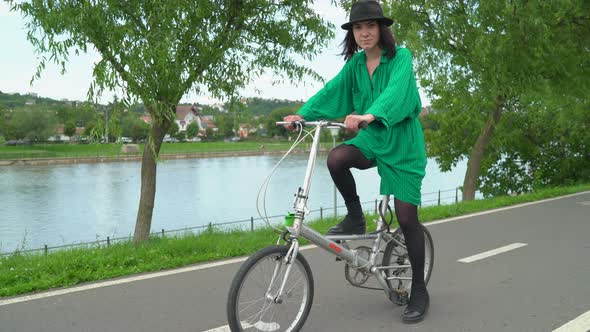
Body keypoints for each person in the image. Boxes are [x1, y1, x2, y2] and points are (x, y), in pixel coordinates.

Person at [282, 0, 429, 324]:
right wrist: (302, 115)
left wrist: (369, 114)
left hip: (402, 143)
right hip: (373, 139)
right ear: (353, 33)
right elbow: (331, 91)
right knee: (337, 158)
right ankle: (354, 217)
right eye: (358, 28)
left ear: (381, 29)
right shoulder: (355, 65)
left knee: (406, 216)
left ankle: (419, 289)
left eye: (370, 26)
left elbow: (396, 94)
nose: (364, 33)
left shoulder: (400, 57)